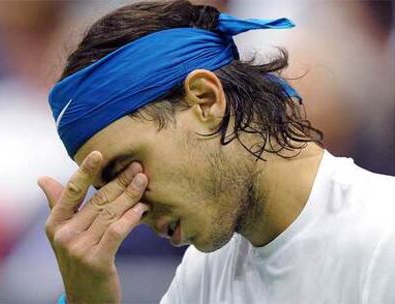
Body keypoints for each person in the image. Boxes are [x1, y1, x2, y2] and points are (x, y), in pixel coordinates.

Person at [38, 1, 395, 303]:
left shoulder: (384, 236)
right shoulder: (201, 274)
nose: (132, 210)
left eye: (127, 168)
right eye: (109, 189)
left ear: (205, 100)